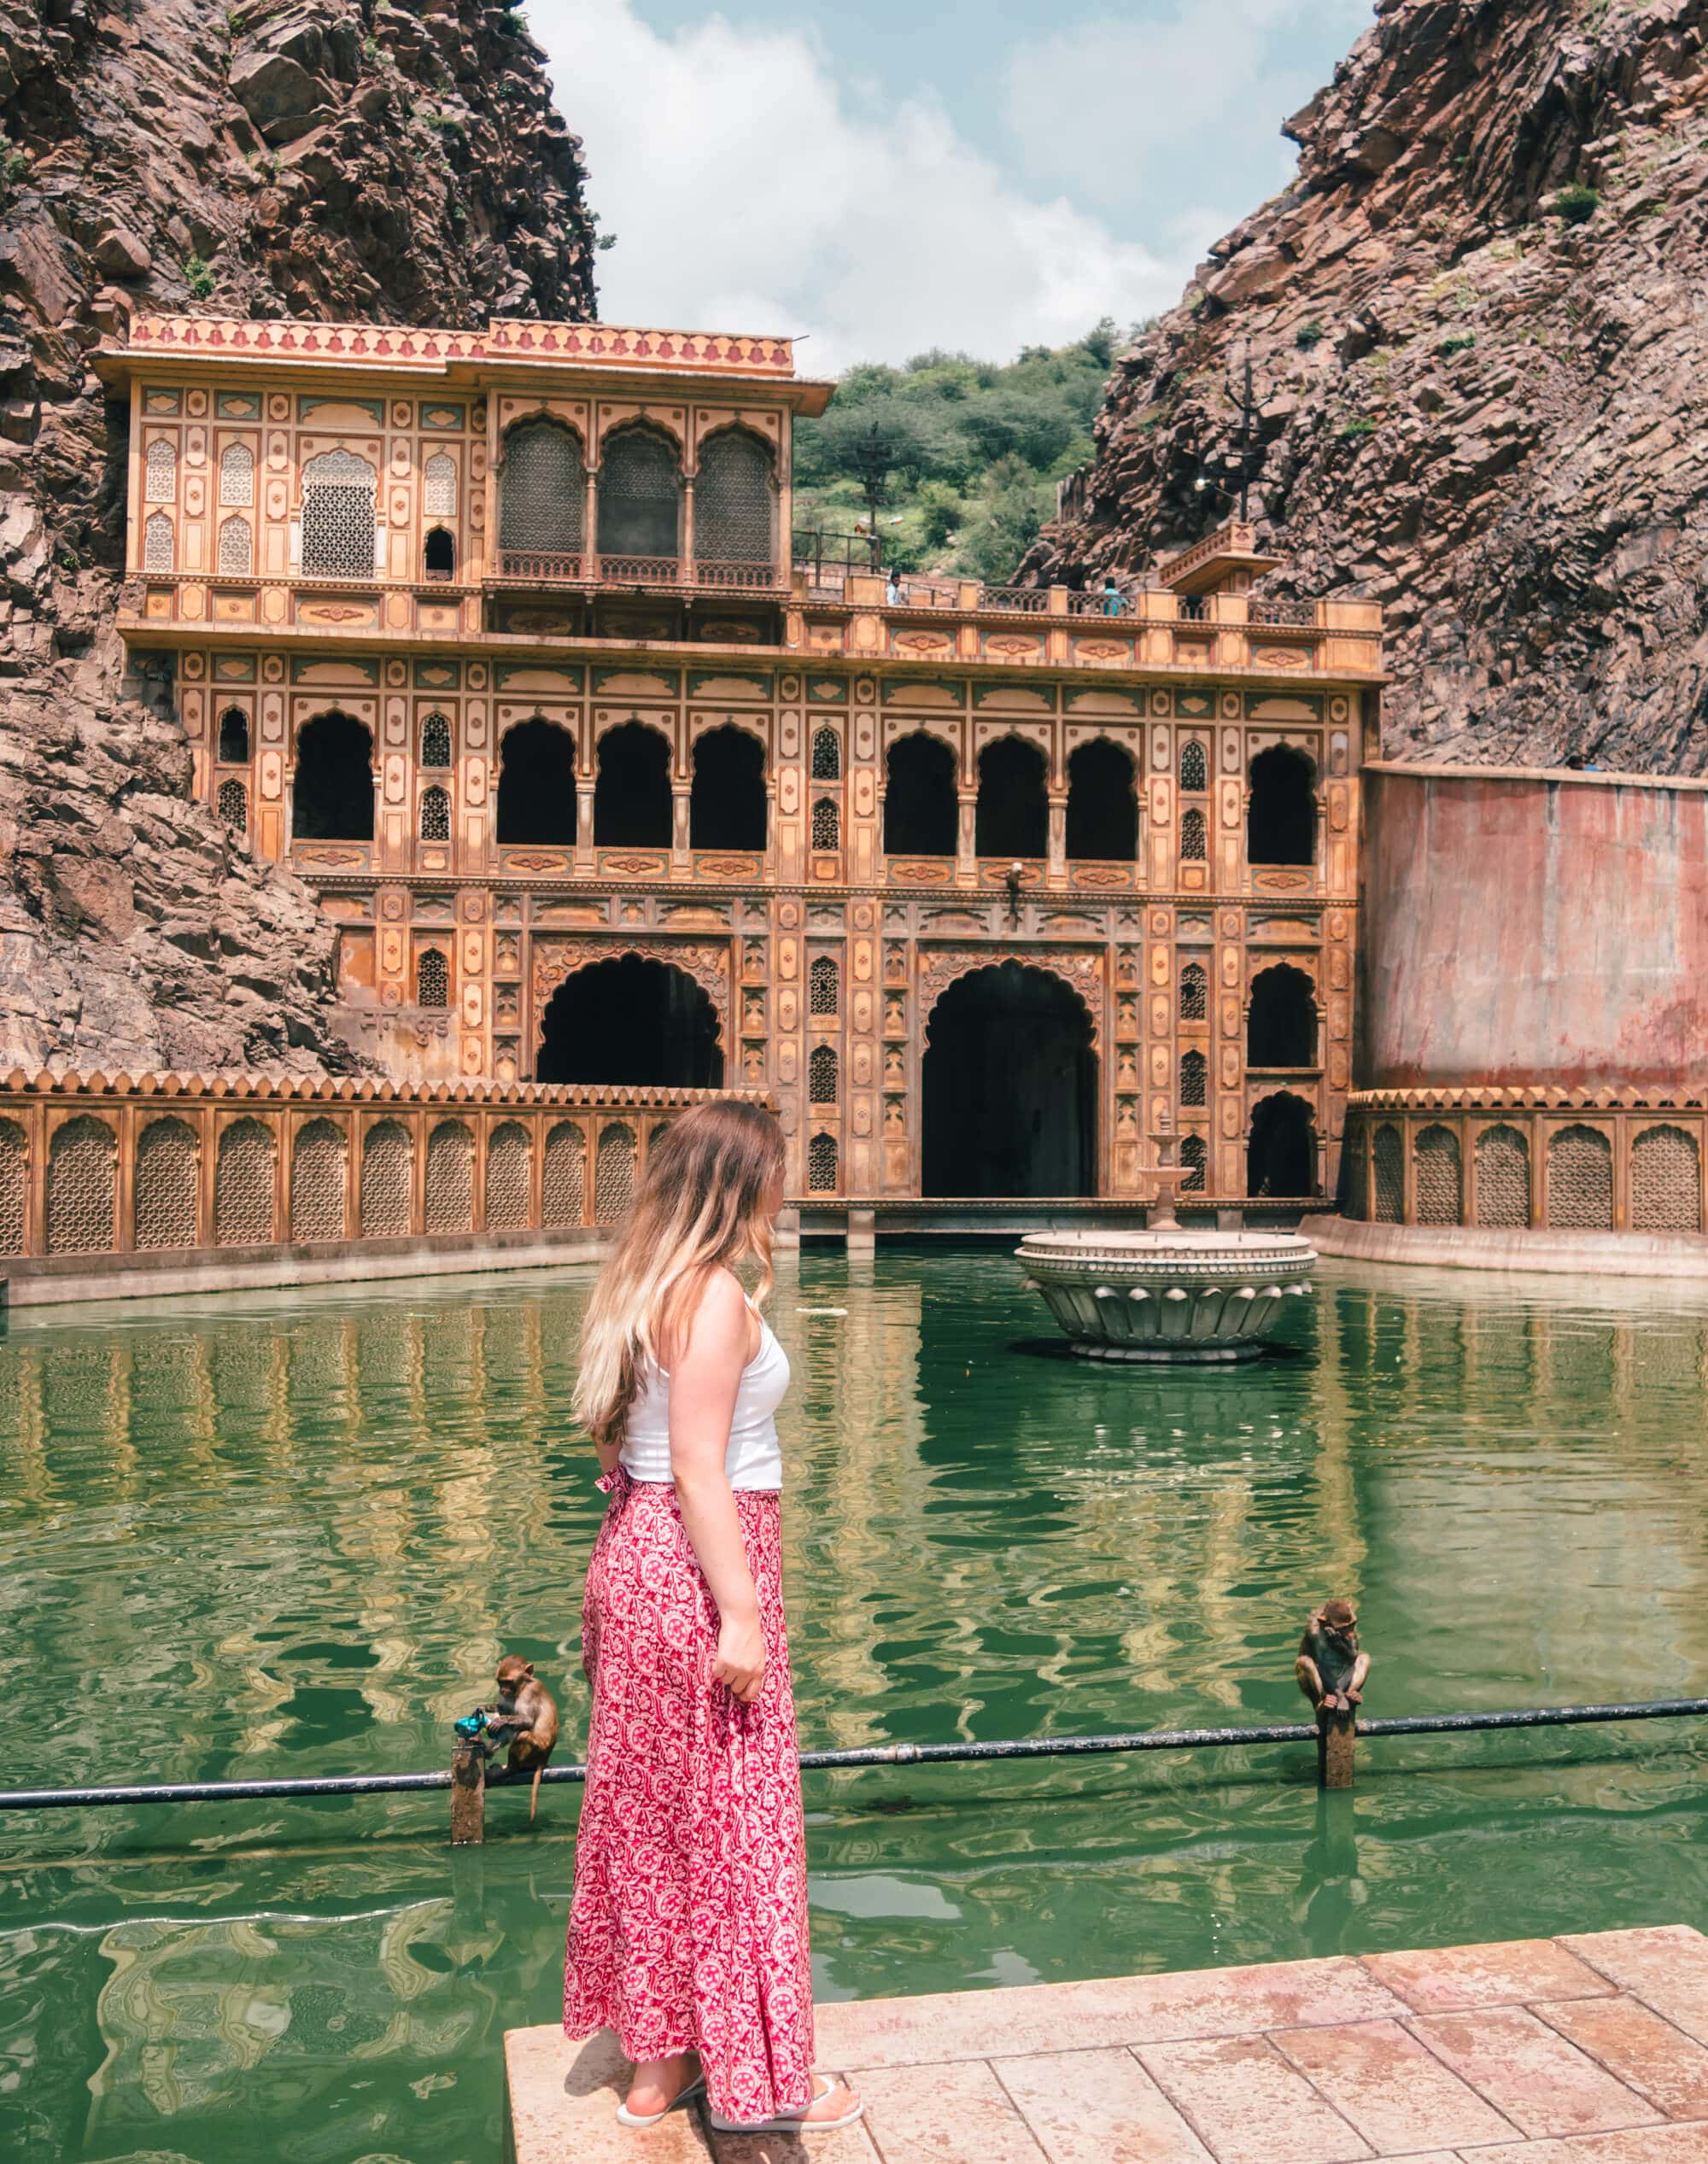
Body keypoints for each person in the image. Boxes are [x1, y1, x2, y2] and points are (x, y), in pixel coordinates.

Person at [564, 1102, 862, 2137]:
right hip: (701, 1568)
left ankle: (656, 2069)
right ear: (738, 1182)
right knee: (738, 1822)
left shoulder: (638, 1284)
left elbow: (619, 1444)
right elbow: (699, 1463)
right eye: (776, 1167)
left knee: (651, 1817)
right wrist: (740, 1612)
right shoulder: (718, 1296)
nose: (788, 1182)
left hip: (634, 1557)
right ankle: (761, 2078)